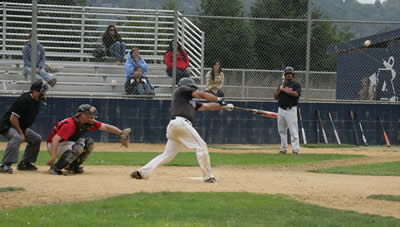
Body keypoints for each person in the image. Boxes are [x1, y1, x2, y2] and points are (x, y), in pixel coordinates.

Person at [130, 77, 234, 183]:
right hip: (181, 124)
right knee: (201, 146)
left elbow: (206, 106)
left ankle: (143, 172)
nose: (193, 90)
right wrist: (218, 99)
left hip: (175, 127)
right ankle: (208, 177)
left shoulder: (189, 101)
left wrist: (223, 106)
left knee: (167, 155)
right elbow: (201, 95)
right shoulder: (182, 89)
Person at [46, 104, 131, 175]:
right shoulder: (70, 124)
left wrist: (121, 133)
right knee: (78, 147)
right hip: (54, 145)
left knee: (89, 143)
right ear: (80, 114)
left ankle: (73, 166)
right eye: (88, 114)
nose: (91, 116)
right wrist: (53, 156)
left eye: (92, 115)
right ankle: (55, 168)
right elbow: (55, 139)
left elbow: (106, 127)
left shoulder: (88, 122)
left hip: (66, 143)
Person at [0, 80, 48, 173]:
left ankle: (25, 163)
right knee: (17, 137)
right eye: (42, 91)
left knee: (36, 139)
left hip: (18, 126)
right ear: (34, 91)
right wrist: (21, 133)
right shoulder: (24, 99)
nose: (44, 93)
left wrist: (23, 129)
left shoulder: (37, 101)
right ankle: (4, 164)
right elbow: (13, 118)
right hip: (7, 125)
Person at [273, 66, 302, 155]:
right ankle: (283, 149)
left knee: (293, 131)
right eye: (287, 74)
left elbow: (296, 94)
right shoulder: (282, 84)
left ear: (292, 75)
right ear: (285, 75)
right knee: (281, 130)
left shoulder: (296, 85)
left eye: (290, 74)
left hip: (291, 110)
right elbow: (275, 97)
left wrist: (284, 90)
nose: (289, 75)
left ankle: (295, 150)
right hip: (281, 110)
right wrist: (280, 90)